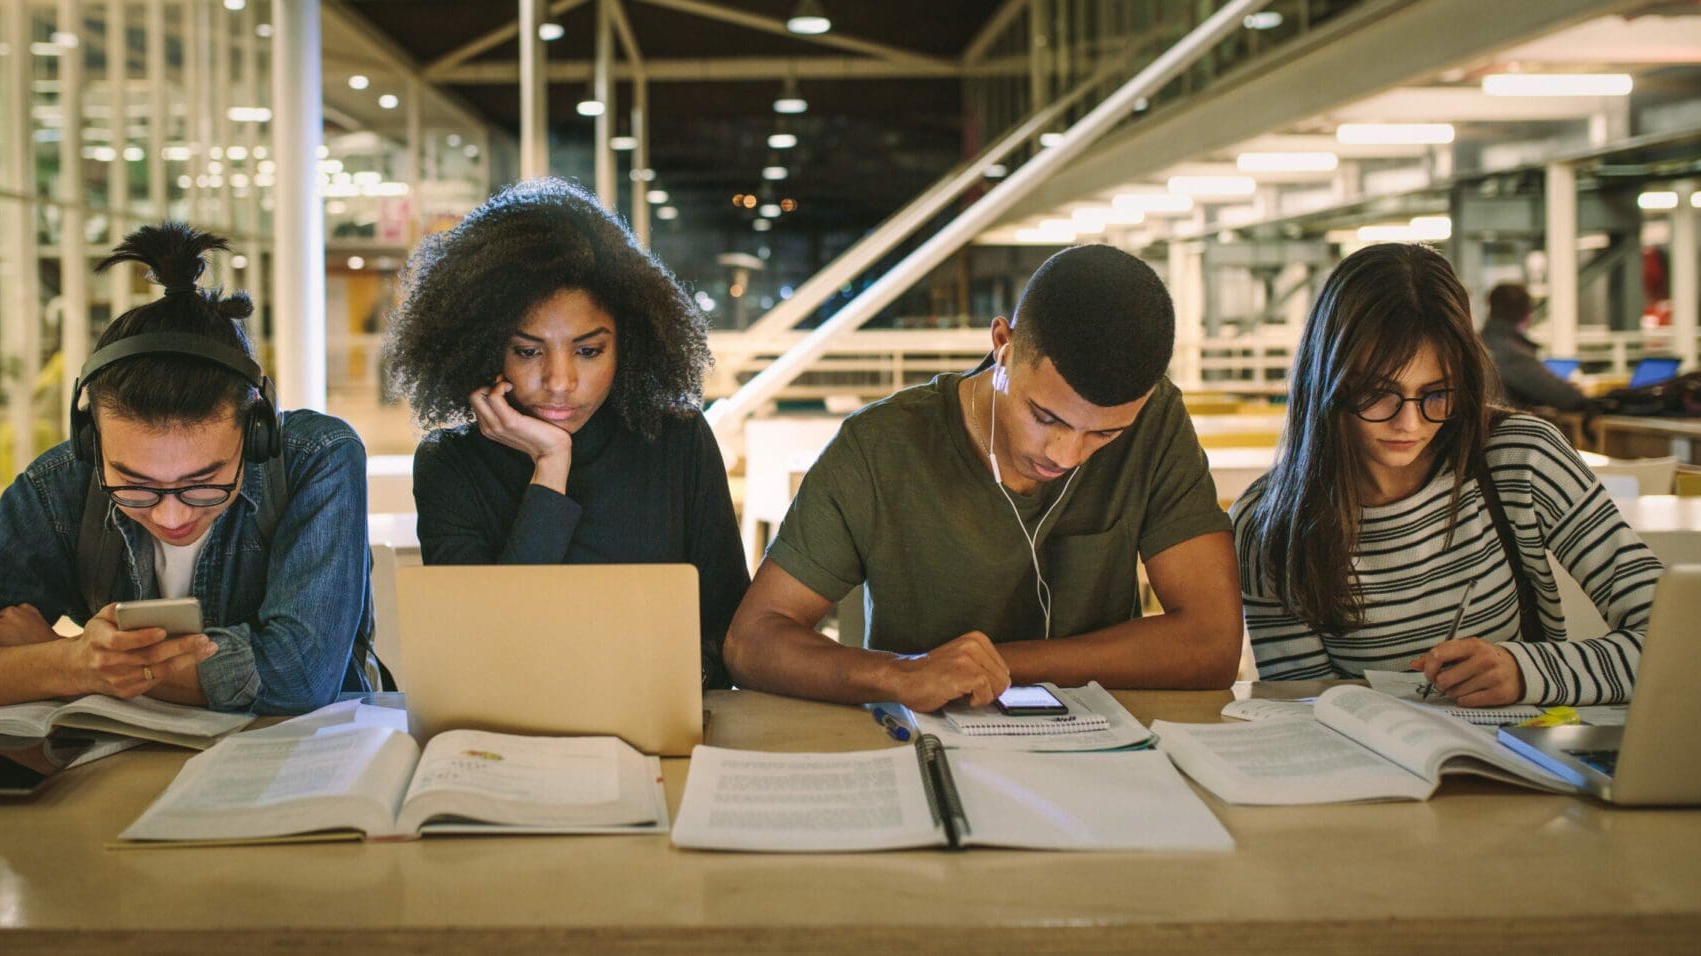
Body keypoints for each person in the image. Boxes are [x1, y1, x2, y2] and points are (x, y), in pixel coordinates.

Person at [0, 224, 379, 715]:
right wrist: (69, 662)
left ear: (257, 432)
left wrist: (48, 658)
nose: (172, 516)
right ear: (90, 443)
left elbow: (299, 678)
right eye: (134, 485)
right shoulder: (63, 482)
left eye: (203, 483)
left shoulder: (317, 458)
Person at [723, 244, 1242, 713]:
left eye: (1104, 435)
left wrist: (998, 666)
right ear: (1003, 345)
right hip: (927, 750)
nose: (1066, 454)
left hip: (1103, 758)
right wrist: (901, 673)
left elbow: (1213, 645)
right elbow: (752, 642)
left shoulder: (1157, 423)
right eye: (1045, 417)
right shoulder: (880, 448)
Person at [1232, 244, 1659, 706]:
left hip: (1527, 765)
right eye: (1379, 393)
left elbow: (1677, 641)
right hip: (1370, 771)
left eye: (1437, 394)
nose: (1410, 424)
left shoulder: (1522, 458)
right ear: (1327, 383)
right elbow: (1304, 707)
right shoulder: (1268, 524)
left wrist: (1527, 671)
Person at [386, 178, 748, 689]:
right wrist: (551, 465)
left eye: (588, 350)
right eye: (529, 351)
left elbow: (731, 632)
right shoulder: (450, 464)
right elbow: (485, 649)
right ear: (485, 348)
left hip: (655, 720)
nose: (560, 382)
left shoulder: (675, 440)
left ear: (628, 345)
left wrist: (673, 680)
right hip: (510, 733)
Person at [1480, 282, 1588, 412]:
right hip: (1506, 428)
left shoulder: (1478, 342)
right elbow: (1565, 397)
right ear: (1527, 313)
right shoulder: (1512, 353)